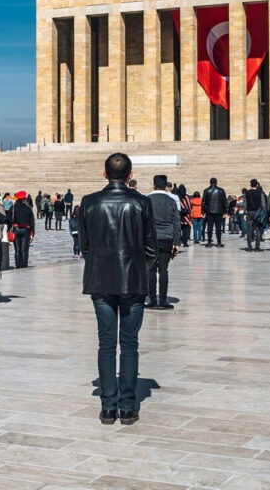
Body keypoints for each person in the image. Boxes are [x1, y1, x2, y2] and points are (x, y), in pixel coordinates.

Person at [80, 153, 157, 426]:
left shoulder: (89, 202)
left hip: (100, 281)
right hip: (133, 282)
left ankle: (108, 408)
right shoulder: (141, 203)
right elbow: (151, 248)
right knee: (129, 344)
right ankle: (127, 407)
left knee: (106, 343)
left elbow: (85, 247)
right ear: (129, 174)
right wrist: (136, 267)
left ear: (104, 174)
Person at [146, 175, 179, 310]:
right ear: (166, 186)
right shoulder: (171, 201)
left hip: (150, 238)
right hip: (167, 237)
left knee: (151, 270)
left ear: (153, 184)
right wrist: (176, 242)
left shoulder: (147, 200)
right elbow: (176, 222)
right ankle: (163, 300)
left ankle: (152, 300)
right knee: (163, 270)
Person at [10, 190, 35, 268]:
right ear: (24, 198)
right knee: (24, 249)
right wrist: (32, 233)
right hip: (25, 230)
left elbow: (10, 220)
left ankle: (18, 265)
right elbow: (32, 222)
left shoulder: (13, 208)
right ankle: (24, 266)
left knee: (17, 250)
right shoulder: (28, 208)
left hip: (16, 229)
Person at [201, 178, 226, 247]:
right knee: (218, 228)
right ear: (216, 182)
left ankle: (209, 242)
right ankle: (219, 242)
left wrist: (203, 211)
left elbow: (203, 202)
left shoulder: (206, 190)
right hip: (219, 211)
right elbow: (225, 202)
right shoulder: (221, 190)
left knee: (210, 228)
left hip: (209, 212)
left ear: (210, 182)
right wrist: (225, 211)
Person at [245, 179, 266, 251]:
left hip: (250, 212)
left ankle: (249, 246)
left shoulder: (247, 192)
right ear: (257, 185)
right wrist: (264, 212)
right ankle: (257, 246)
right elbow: (263, 204)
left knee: (249, 230)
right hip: (258, 213)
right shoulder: (260, 192)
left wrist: (245, 212)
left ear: (250, 184)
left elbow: (245, 203)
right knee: (258, 230)